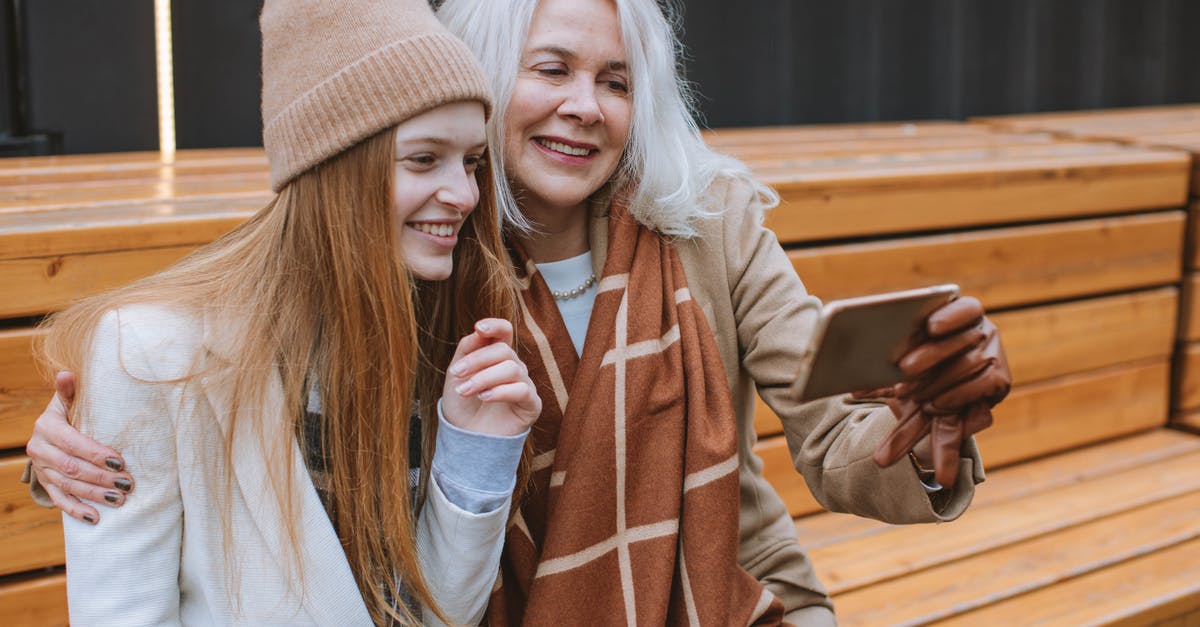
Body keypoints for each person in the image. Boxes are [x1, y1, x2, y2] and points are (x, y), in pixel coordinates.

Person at [25, 0, 1010, 624]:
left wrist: (922, 438)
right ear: (486, 80)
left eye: (616, 82)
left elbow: (836, 426)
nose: (586, 104)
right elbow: (245, 347)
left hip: (725, 599)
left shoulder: (708, 222)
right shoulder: (421, 256)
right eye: (552, 69)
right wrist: (82, 448)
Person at [24, 0, 541, 624]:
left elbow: (438, 614)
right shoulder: (149, 353)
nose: (464, 194)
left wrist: (474, 454)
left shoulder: (435, 332)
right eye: (424, 159)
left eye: (472, 162)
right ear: (332, 166)